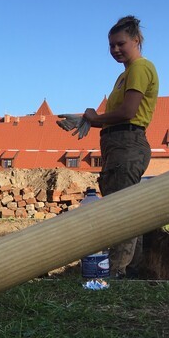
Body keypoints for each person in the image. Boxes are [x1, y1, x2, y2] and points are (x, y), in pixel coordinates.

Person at [62, 15, 159, 278]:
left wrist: (94, 118)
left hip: (127, 143)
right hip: (119, 142)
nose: (115, 49)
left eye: (121, 43)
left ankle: (115, 272)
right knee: (127, 206)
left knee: (120, 210)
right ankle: (130, 268)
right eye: (111, 45)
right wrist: (84, 120)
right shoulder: (125, 75)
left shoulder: (140, 68)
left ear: (136, 40)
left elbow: (128, 112)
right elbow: (115, 117)